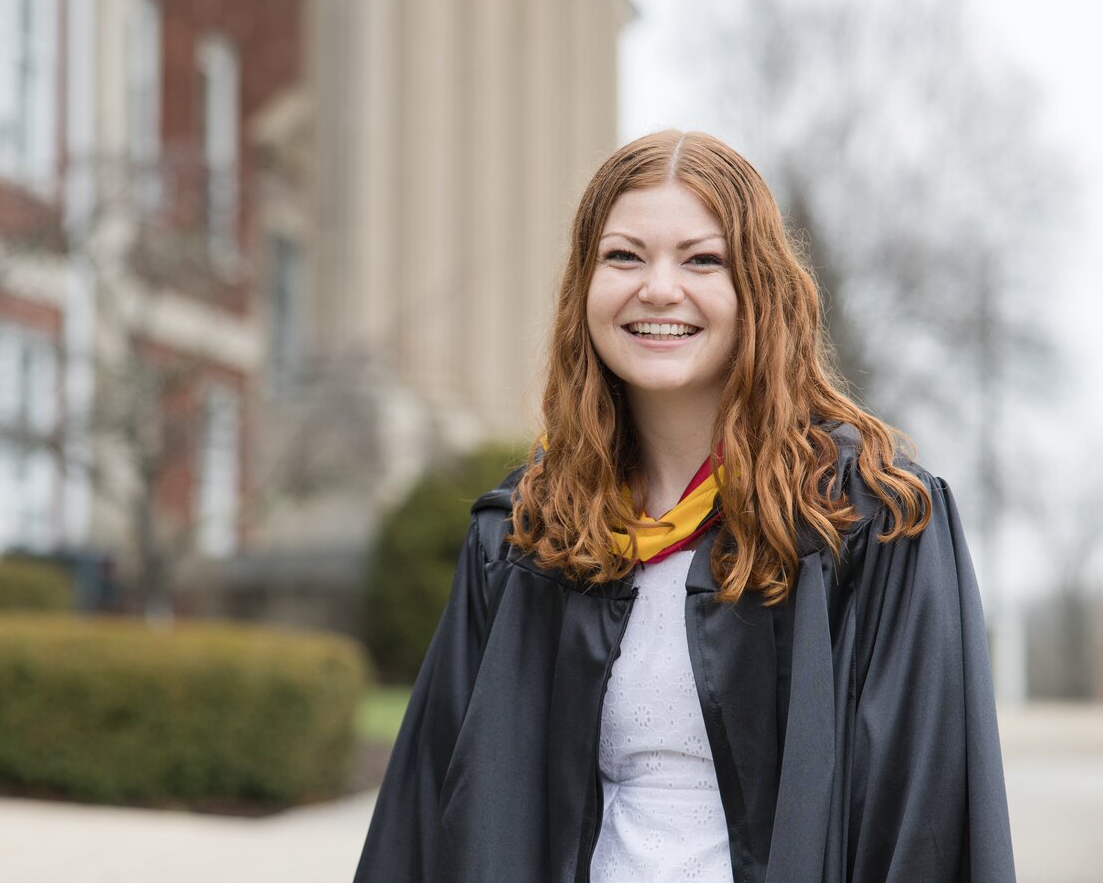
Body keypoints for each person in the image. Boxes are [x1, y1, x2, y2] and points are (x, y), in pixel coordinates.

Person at [353, 131, 1015, 883]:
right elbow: (430, 819)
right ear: (584, 289)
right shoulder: (529, 536)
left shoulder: (868, 521)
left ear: (757, 290)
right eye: (623, 257)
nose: (658, 289)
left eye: (702, 259)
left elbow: (922, 825)